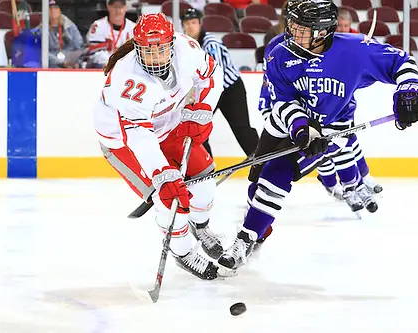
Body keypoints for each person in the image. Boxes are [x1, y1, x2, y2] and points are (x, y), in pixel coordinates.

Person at [219, 0, 418, 270]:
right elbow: (284, 102)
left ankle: (246, 237)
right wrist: (301, 127)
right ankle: (259, 226)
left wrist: (408, 90)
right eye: (292, 26)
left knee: (276, 173)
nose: (292, 33)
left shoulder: (355, 51)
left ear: (322, 32)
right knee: (256, 181)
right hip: (285, 123)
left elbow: (403, 62)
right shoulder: (280, 53)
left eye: (301, 29)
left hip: (330, 128)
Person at [92, 13, 226, 280]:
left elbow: (211, 77)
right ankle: (183, 252)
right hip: (123, 141)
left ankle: (200, 226)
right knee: (169, 200)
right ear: (137, 47)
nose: (154, 57)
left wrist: (203, 108)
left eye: (161, 49)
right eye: (147, 51)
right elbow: (138, 134)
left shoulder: (186, 49)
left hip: (167, 122)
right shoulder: (128, 79)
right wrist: (162, 175)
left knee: (205, 180)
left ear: (171, 44)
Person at [259, 1, 381, 210]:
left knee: (343, 144)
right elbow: (277, 83)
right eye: (294, 25)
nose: (297, 31)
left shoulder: (338, 43)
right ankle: (333, 184)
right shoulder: (279, 47)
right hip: (295, 113)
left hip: (331, 110)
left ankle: (356, 184)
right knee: (319, 150)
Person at [181, 8, 259, 157]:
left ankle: (260, 159)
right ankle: (204, 165)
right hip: (211, 89)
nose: (191, 26)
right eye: (187, 23)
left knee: (241, 128)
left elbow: (216, 76)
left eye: (194, 22)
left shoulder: (211, 43)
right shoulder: (186, 45)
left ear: (200, 24)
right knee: (198, 127)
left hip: (230, 89)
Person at [85, 0, 135, 69]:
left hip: (126, 67)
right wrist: (113, 60)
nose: (117, 10)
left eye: (120, 7)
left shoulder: (133, 28)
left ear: (126, 8)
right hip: (102, 67)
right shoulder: (98, 26)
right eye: (114, 7)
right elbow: (93, 54)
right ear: (108, 7)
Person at [45, 0, 85, 68]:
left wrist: (77, 62)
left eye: (55, 7)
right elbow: (42, 53)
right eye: (50, 8)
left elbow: (79, 48)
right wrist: (61, 63)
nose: (52, 10)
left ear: (60, 10)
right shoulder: (41, 29)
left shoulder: (70, 27)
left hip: (71, 63)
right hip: (51, 66)